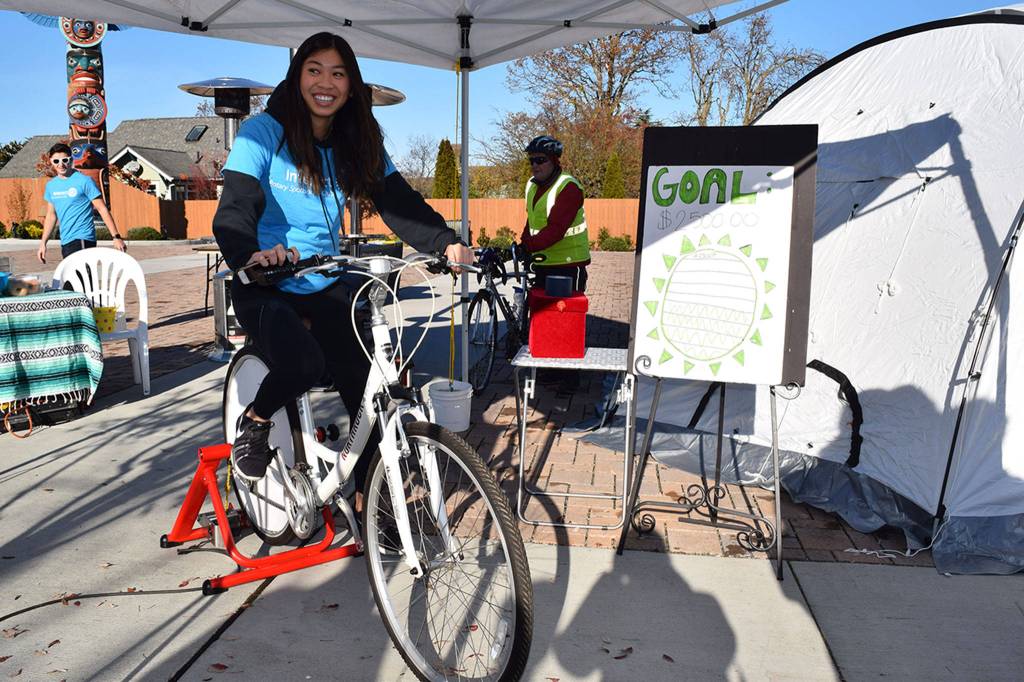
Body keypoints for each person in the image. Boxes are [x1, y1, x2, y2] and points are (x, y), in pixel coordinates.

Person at [212, 32, 472, 491]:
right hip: (267, 281)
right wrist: (249, 253)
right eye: (314, 70)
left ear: (352, 84)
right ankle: (254, 423)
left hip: (325, 279)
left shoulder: (356, 139)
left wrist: (446, 243)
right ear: (297, 78)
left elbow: (397, 201)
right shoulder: (262, 132)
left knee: (366, 387)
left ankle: (374, 500)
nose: (325, 82)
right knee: (305, 364)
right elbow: (236, 204)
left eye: (338, 73)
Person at [519, 135, 590, 292]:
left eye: (541, 160)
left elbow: (556, 230)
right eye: (531, 161)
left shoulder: (569, 187)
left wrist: (526, 247)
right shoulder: (532, 186)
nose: (535, 165)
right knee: (538, 314)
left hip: (567, 265)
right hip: (542, 263)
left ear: (554, 160)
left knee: (564, 315)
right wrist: (522, 243)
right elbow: (532, 220)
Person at [37, 142, 126, 263]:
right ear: (51, 162)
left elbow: (102, 208)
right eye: (56, 161)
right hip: (66, 241)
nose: (61, 164)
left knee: (79, 280)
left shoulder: (84, 181)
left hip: (83, 238)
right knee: (74, 280)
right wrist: (43, 243)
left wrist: (116, 237)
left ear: (71, 159)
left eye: (65, 160)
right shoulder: (51, 186)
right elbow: (51, 215)